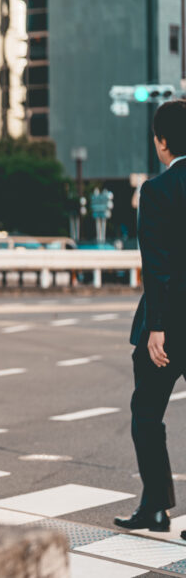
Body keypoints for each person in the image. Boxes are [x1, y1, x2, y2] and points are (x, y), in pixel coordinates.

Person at [115, 99, 186, 535]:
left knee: (146, 412)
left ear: (161, 142)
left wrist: (157, 327)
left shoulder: (157, 191)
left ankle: (156, 507)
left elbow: (156, 264)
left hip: (168, 326)